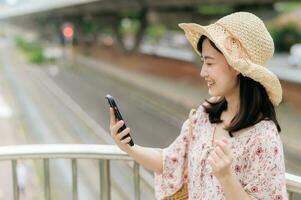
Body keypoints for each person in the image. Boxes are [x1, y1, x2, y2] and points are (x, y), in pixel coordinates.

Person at [109, 12, 287, 200]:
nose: (203, 72)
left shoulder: (263, 137)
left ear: (236, 67)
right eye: (203, 62)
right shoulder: (205, 114)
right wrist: (129, 147)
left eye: (209, 63)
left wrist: (226, 178)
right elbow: (169, 161)